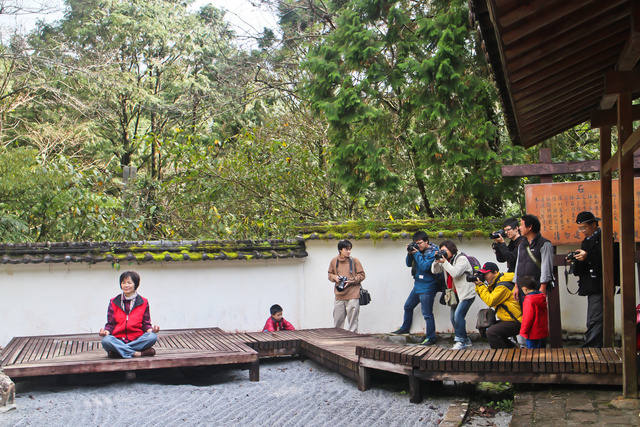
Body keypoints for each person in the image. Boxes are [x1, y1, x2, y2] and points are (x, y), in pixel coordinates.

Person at [99, 271, 160, 358]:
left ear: (135, 284)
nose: (126, 285)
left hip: (137, 339)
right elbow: (111, 324)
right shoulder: (113, 302)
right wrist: (105, 332)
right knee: (106, 340)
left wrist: (152, 330)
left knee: (152, 337)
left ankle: (119, 351)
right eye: (123, 283)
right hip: (118, 339)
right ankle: (137, 353)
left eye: (129, 283)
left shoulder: (144, 302)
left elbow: (146, 324)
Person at [391, 232, 440, 337]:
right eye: (416, 243)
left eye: (420, 243)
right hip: (418, 285)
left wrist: (416, 253)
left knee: (427, 314)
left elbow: (425, 267)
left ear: (426, 241)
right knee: (408, 306)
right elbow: (408, 264)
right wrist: (410, 253)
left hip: (428, 287)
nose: (418, 245)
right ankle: (405, 328)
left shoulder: (433, 252)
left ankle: (430, 337)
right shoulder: (417, 251)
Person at [568, 211, 603, 348]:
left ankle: (592, 348)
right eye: (580, 228)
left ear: (594, 224)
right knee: (592, 318)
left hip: (599, 283)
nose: (582, 231)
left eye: (584, 227)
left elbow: (604, 261)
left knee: (595, 318)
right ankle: (593, 347)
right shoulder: (586, 241)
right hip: (590, 284)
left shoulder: (603, 239)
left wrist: (587, 256)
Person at [432, 240, 475, 349]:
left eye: (445, 250)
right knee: (453, 317)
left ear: (452, 249)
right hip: (454, 294)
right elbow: (435, 271)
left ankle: (460, 341)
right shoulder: (447, 261)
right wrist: (437, 260)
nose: (443, 253)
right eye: (441, 251)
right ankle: (466, 339)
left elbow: (455, 273)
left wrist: (444, 262)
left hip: (466, 293)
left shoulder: (461, 259)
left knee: (458, 316)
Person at [474, 262, 523, 349]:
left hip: (516, 320)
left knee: (492, 332)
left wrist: (480, 285)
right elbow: (487, 297)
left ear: (495, 272)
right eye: (483, 274)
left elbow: (490, 301)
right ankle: (513, 350)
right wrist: (479, 286)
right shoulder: (496, 283)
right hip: (508, 319)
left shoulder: (503, 286)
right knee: (487, 329)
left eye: (487, 274)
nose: (485, 276)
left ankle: (501, 358)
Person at [513, 214, 554, 304]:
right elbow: (518, 266)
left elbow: (546, 267)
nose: (519, 228)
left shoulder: (545, 244)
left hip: (536, 288)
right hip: (522, 289)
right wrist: (516, 286)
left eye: (521, 225)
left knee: (536, 315)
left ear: (530, 227)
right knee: (525, 316)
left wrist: (542, 288)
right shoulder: (521, 245)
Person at [327, 239, 366, 333]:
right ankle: (338, 339)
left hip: (353, 294)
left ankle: (353, 339)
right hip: (339, 295)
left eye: (350, 249)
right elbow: (329, 274)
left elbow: (362, 275)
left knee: (353, 321)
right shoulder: (334, 261)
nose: (349, 251)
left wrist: (351, 281)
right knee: (338, 320)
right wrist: (335, 278)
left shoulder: (355, 261)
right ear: (340, 250)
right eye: (346, 249)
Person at [519, 276, 548, 349]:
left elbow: (527, 318)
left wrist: (523, 331)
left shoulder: (529, 300)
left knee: (532, 354)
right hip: (542, 332)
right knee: (542, 352)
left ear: (525, 288)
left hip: (532, 333)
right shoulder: (541, 298)